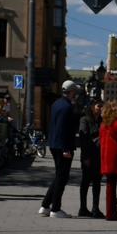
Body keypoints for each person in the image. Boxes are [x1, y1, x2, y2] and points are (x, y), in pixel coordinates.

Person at [38, 80, 80, 218]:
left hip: (54, 144)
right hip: (62, 146)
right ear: (72, 92)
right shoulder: (66, 107)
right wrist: (65, 148)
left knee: (59, 176)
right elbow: (62, 128)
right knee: (62, 177)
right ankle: (55, 208)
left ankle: (45, 205)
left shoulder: (57, 103)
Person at [78, 98, 104, 218]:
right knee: (86, 182)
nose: (100, 109)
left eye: (101, 106)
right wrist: (85, 157)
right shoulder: (85, 120)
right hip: (89, 155)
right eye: (99, 106)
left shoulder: (102, 120)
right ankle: (83, 208)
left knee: (97, 183)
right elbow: (83, 140)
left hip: (99, 156)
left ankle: (95, 208)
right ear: (92, 107)